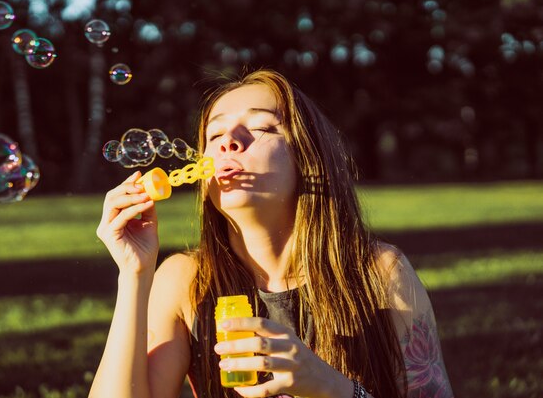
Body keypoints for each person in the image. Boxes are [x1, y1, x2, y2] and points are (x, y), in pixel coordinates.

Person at [89, 69, 454, 398]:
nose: (227, 141)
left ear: (308, 157)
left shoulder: (378, 271)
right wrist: (134, 273)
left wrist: (333, 388)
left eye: (262, 127)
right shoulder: (187, 281)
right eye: (214, 133)